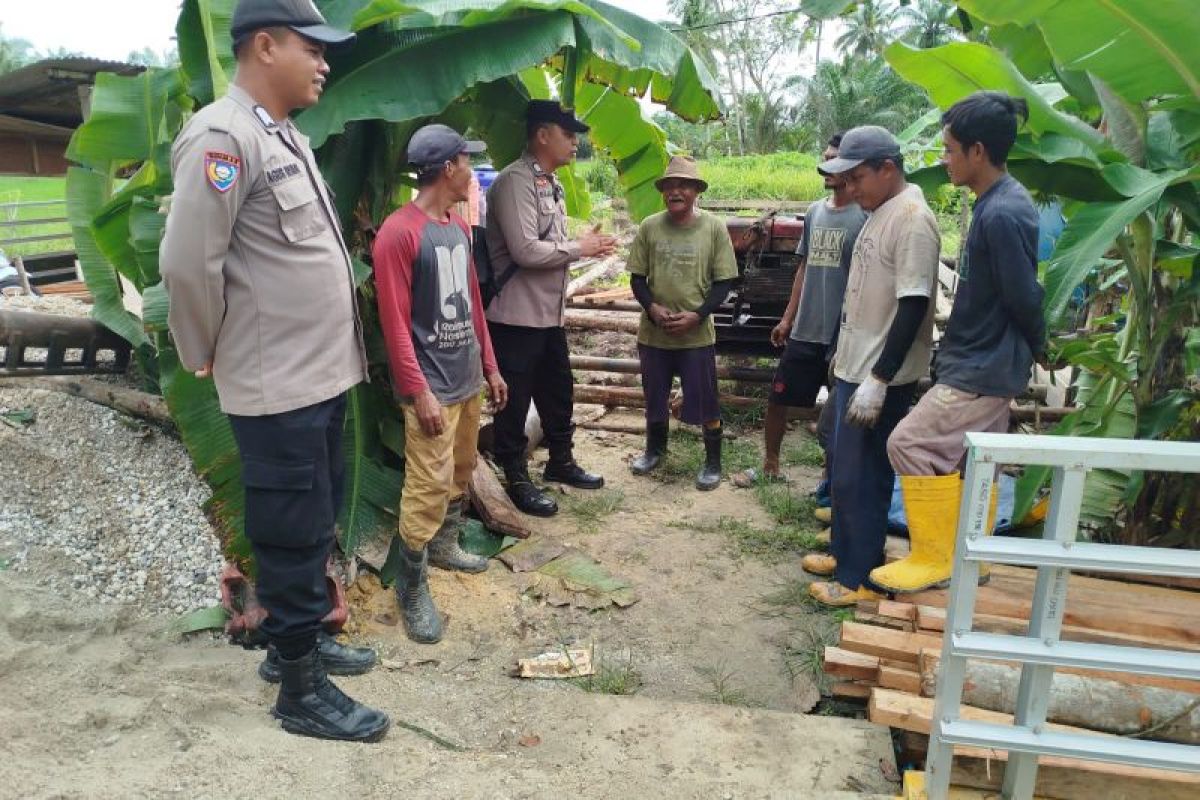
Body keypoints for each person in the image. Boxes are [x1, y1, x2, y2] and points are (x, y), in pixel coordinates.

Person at [160, 0, 388, 742]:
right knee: (289, 532)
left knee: (312, 520)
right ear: (265, 44)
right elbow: (190, 263)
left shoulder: (281, 135)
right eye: (312, 47)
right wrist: (198, 348)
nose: (325, 62)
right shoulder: (223, 137)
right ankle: (299, 689)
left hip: (316, 376)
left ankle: (305, 642)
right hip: (276, 383)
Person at [872, 92, 1046, 593]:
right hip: (981, 361)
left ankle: (934, 556)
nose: (944, 160)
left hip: (983, 366)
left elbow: (1023, 294)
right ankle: (972, 555)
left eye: (949, 150)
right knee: (973, 457)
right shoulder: (995, 203)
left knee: (907, 443)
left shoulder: (1003, 212)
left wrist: (1038, 344)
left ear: (976, 150)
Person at [372, 124, 508, 643]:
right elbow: (394, 322)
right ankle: (411, 586)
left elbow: (473, 304)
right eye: (466, 162)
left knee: (460, 470)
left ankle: (447, 546)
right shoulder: (398, 232)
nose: (471, 171)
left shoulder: (456, 225)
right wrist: (419, 390)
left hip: (467, 378)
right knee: (425, 487)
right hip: (432, 386)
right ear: (447, 168)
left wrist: (491, 367)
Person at [806, 125, 941, 607]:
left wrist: (880, 378)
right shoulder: (880, 211)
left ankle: (860, 576)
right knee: (845, 472)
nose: (850, 188)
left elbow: (912, 302)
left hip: (876, 376)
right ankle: (846, 555)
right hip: (853, 367)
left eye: (857, 177)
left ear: (888, 168)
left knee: (865, 479)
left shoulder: (912, 219)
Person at [484, 100, 617, 517]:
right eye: (567, 134)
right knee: (516, 401)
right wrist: (581, 248)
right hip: (516, 318)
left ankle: (560, 462)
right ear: (543, 135)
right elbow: (525, 250)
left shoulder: (550, 183)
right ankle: (516, 475)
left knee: (558, 393)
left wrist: (580, 242)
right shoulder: (514, 182)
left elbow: (547, 243)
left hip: (547, 316)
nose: (575, 142)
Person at [734, 133, 867, 519]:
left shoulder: (865, 215)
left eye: (834, 159)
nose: (825, 166)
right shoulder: (815, 212)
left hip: (842, 335)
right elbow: (803, 268)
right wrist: (788, 318)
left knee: (838, 414)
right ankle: (770, 466)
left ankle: (829, 482)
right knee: (779, 398)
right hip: (806, 328)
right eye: (823, 158)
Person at [626, 156, 738, 489]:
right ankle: (654, 450)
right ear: (663, 192)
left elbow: (724, 283)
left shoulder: (714, 228)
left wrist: (698, 315)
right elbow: (636, 278)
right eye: (670, 186)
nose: (676, 191)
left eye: (684, 185)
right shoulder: (650, 226)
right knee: (655, 396)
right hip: (654, 334)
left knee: (706, 399)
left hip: (696, 335)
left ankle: (713, 462)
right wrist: (652, 309)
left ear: (695, 191)